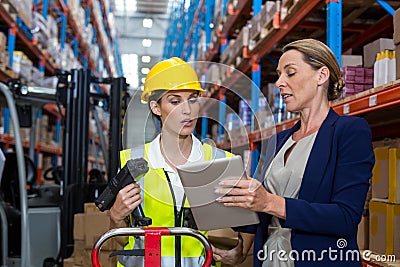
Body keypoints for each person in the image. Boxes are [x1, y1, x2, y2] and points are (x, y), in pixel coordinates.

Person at [213, 39, 375, 267]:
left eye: (290, 73)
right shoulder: (277, 141)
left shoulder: (349, 132)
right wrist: (242, 248)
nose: (279, 82)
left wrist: (270, 203)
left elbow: (345, 218)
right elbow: (259, 206)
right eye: (279, 75)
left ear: (321, 76)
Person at [109, 57, 243, 267]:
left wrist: (239, 250)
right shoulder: (132, 162)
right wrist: (115, 218)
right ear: (156, 108)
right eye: (174, 101)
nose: (187, 110)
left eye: (192, 99)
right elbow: (123, 240)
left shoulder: (219, 162)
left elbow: (235, 237)